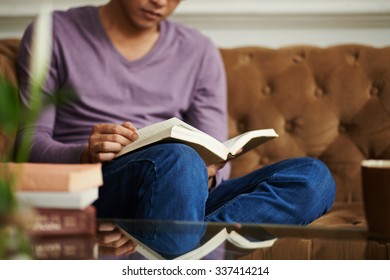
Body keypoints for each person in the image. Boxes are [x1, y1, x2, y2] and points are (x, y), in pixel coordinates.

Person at [16, 0, 336, 226]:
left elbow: (215, 155)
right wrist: (86, 154)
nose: (160, 2)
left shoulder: (198, 50)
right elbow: (28, 143)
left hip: (186, 187)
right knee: (177, 159)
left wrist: (211, 167)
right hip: (99, 185)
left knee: (313, 177)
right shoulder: (54, 32)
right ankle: (190, 247)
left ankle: (182, 246)